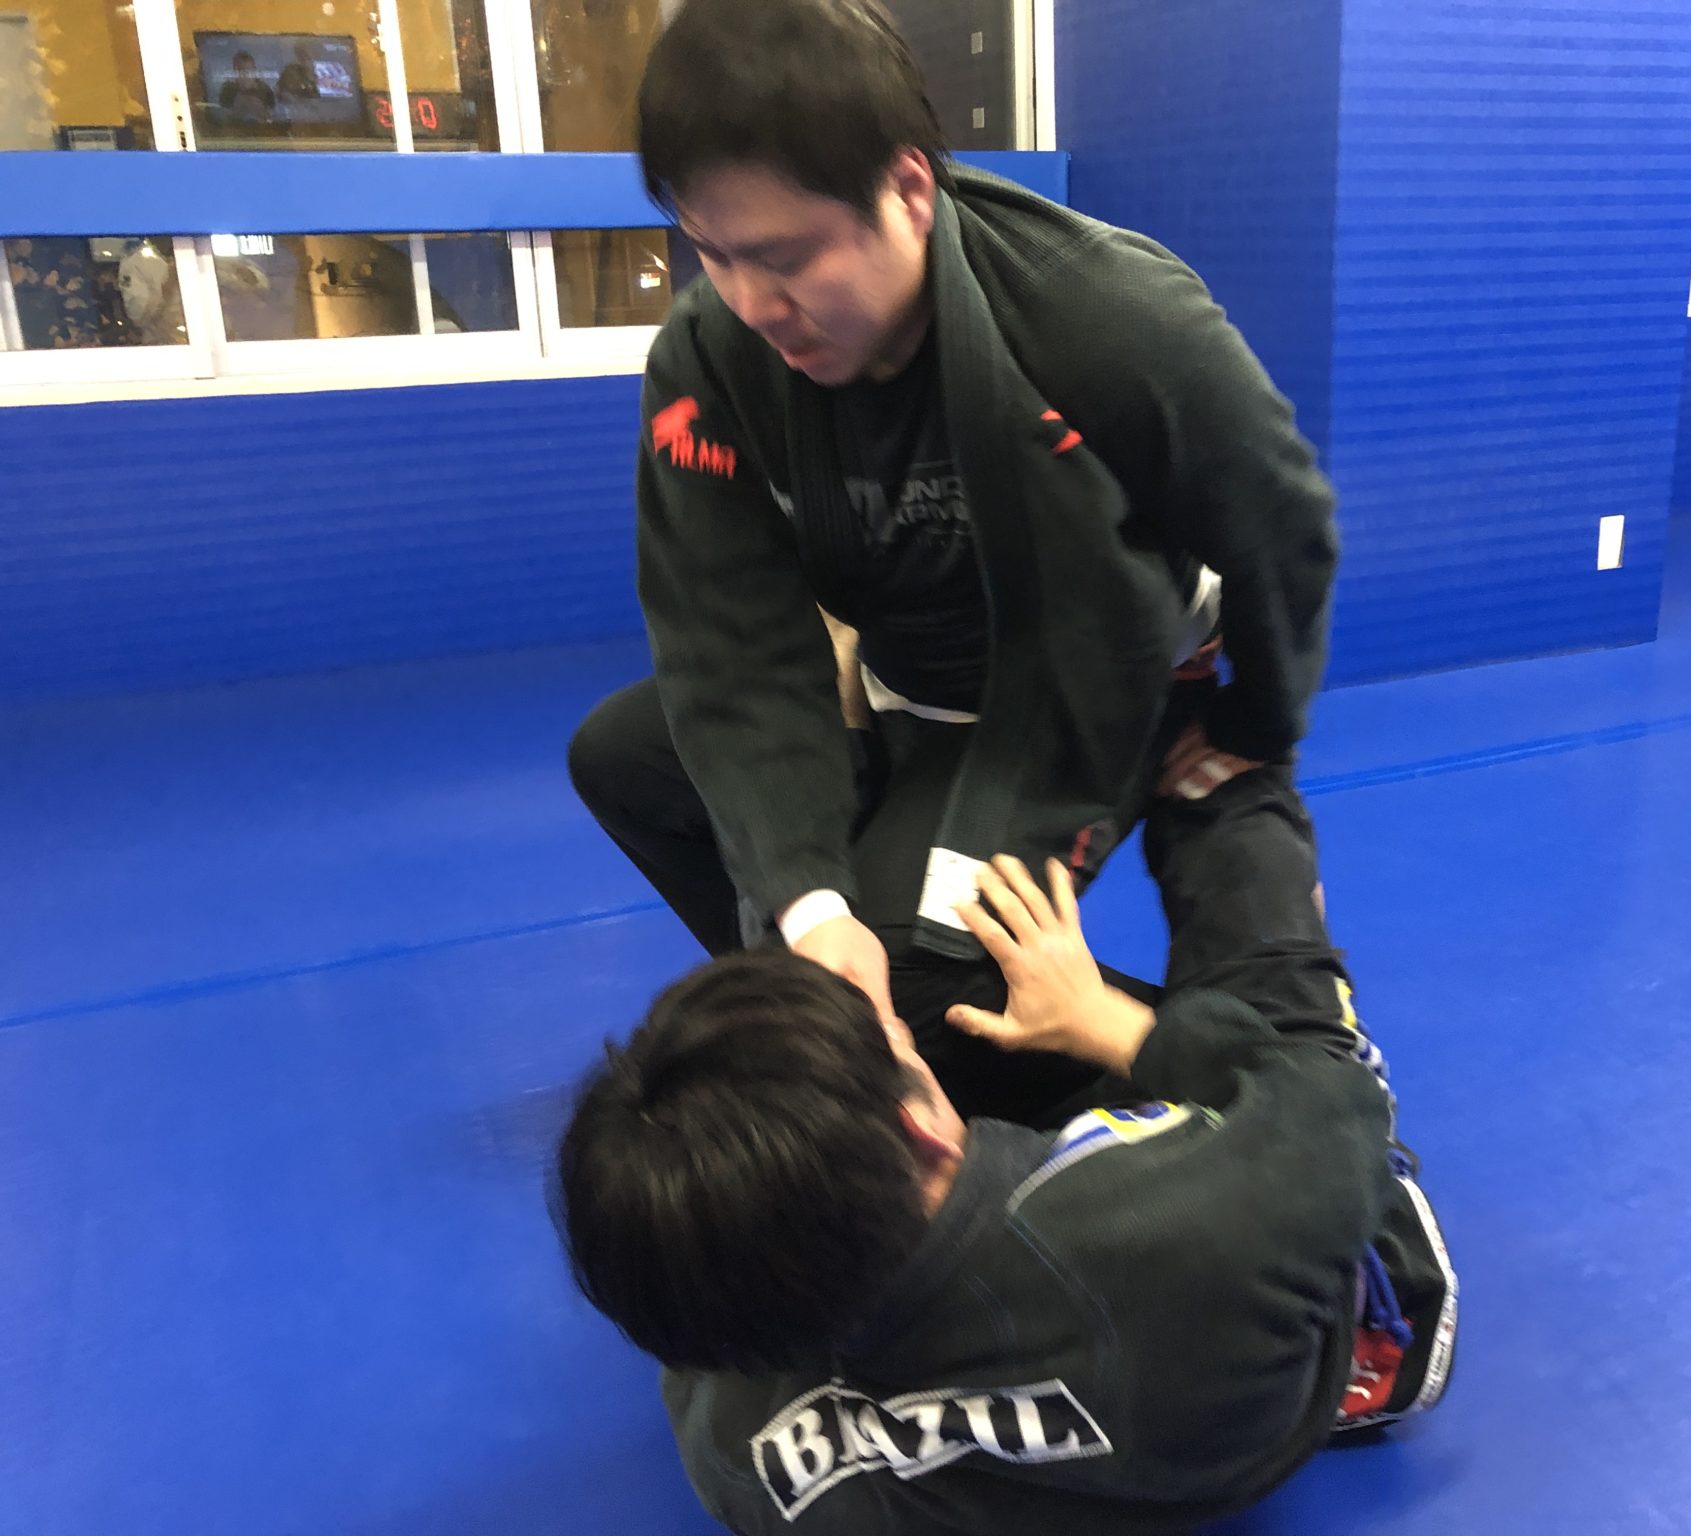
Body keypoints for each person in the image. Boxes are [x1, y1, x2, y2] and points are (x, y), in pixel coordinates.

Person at [567, 0, 1339, 1049]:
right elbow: (727, 644)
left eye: (785, 258)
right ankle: (847, 1021)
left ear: (909, 190)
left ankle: (1254, 1072)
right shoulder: (709, 361)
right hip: (910, 687)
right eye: (713, 254)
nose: (751, 302)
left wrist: (1254, 728)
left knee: (918, 980)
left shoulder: (1104, 315)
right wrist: (811, 910)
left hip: (1093, 690)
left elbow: (1280, 523)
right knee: (628, 762)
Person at [555, 770, 1457, 1533]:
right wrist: (1112, 1025)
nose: (899, 1035)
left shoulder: (736, 1458)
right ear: (919, 1129)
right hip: (1262, 1373)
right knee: (1280, 1008)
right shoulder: (1167, 1220)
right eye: (894, 1044)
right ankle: (1224, 779)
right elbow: (1333, 1106)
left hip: (1077, 1416)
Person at [216, 52, 275, 122]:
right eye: (238, 71)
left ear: (254, 70)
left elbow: (270, 118)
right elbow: (223, 117)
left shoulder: (265, 90)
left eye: (247, 71)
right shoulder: (228, 90)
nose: (243, 75)